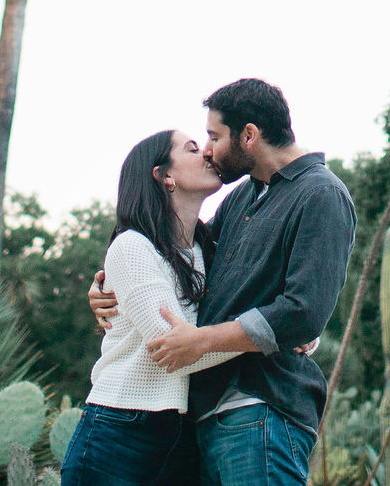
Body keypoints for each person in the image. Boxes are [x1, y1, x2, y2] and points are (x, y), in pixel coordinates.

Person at [88, 79, 356, 486]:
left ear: (249, 135)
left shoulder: (321, 194)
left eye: (213, 136)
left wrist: (210, 340)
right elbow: (180, 264)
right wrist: (110, 287)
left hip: (262, 408)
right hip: (206, 415)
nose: (209, 149)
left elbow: (304, 312)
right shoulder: (243, 198)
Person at [60, 128, 235, 486]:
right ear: (164, 175)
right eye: (190, 149)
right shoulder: (131, 248)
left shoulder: (208, 252)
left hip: (181, 437)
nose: (206, 153)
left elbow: (252, 308)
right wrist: (268, 336)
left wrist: (293, 329)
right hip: (118, 432)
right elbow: (173, 348)